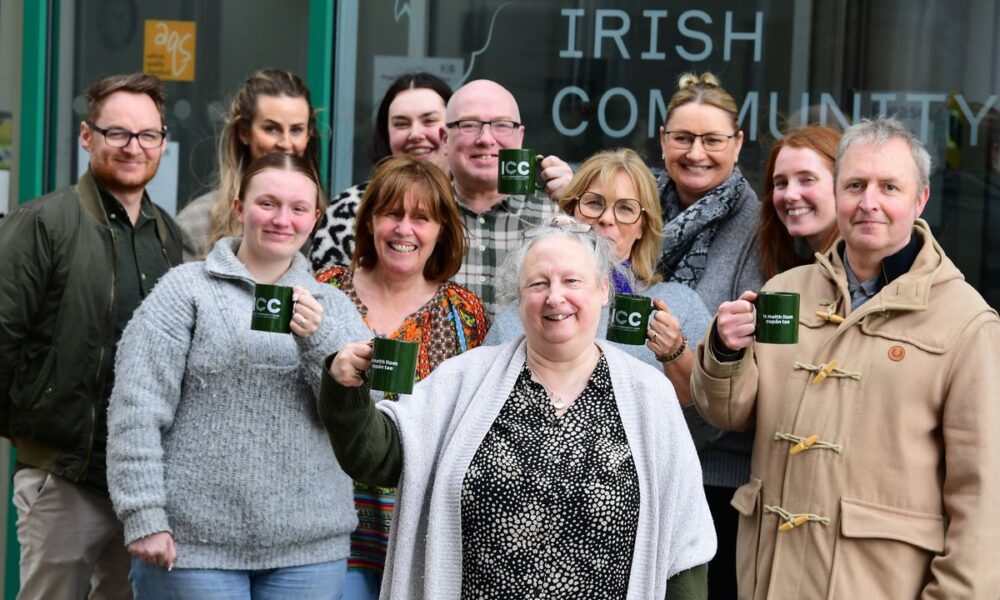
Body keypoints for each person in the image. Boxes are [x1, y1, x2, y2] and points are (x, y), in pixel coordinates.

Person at [319, 221, 716, 599]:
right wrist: (346, 389)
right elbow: (376, 457)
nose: (555, 297)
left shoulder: (649, 396)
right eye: (538, 283)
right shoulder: (464, 380)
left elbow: (684, 548)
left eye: (572, 281)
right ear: (519, 299)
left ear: (602, 290)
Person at [692, 117, 1000, 598]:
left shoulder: (966, 322)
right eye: (855, 185)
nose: (868, 202)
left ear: (920, 200)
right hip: (770, 579)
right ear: (837, 194)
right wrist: (725, 350)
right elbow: (730, 413)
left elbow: (982, 498)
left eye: (889, 187)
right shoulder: (785, 291)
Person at [106, 153, 369, 598]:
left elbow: (364, 417)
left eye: (298, 208)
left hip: (309, 551)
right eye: (267, 203)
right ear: (239, 207)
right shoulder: (185, 290)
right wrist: (144, 515)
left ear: (315, 219)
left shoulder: (333, 306)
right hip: (193, 548)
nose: (282, 219)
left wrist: (318, 341)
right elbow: (136, 407)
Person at [0, 73, 184, 599]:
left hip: (140, 485)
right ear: (87, 136)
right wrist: (36, 432)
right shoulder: (42, 224)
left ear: (163, 142)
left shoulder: (169, 237)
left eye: (147, 135)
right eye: (117, 132)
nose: (133, 147)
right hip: (64, 477)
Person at [314, 154, 489, 598]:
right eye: (392, 213)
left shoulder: (463, 313)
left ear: (442, 229)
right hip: (327, 531)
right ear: (370, 221)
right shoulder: (326, 290)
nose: (404, 229)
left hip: (417, 535)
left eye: (421, 218)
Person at [486, 149, 711, 412]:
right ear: (572, 212)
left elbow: (707, 409)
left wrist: (675, 353)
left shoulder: (679, 304)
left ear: (643, 227)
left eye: (625, 208)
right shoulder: (536, 305)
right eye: (594, 203)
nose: (606, 219)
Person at [655, 71, 765, 597]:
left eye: (712, 140)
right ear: (663, 140)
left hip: (716, 473)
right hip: (644, 463)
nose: (696, 153)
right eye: (683, 138)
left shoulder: (759, 227)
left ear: (737, 144)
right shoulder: (635, 207)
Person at [443, 79, 575, 318]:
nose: (486, 139)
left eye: (502, 125)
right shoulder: (421, 214)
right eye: (469, 125)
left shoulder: (555, 215)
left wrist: (578, 205)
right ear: (444, 139)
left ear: (520, 137)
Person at [310, 72, 452, 270]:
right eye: (401, 124)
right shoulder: (350, 208)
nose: (415, 134)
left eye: (429, 121)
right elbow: (322, 285)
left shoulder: (471, 205)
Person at [175, 68, 319, 261]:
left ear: (308, 135)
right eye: (271, 129)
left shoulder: (322, 227)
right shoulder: (197, 225)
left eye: (296, 130)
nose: (286, 143)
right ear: (244, 132)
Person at [758, 125, 842, 279]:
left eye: (807, 180)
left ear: (843, 184)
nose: (789, 195)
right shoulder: (791, 270)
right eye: (781, 183)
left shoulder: (862, 271)